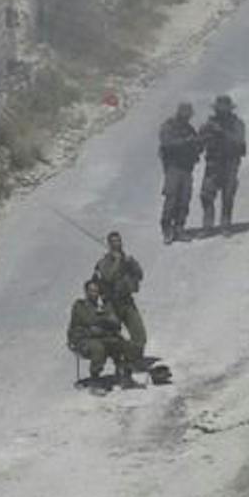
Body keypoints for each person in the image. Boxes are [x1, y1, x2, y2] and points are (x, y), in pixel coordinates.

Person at [67, 279, 137, 386]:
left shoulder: (104, 306)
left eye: (96, 291)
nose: (94, 294)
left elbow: (116, 323)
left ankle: (123, 373)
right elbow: (87, 321)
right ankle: (95, 376)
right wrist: (102, 320)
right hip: (83, 338)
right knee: (98, 348)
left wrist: (108, 319)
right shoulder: (80, 306)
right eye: (91, 291)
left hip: (103, 337)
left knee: (124, 344)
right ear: (86, 292)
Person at [92, 230, 146, 364]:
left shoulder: (126, 259)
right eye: (114, 242)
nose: (117, 244)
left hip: (127, 302)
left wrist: (131, 263)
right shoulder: (103, 262)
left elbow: (140, 275)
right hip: (111, 304)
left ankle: (135, 359)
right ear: (109, 244)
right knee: (114, 337)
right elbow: (108, 277)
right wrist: (116, 261)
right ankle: (120, 363)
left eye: (119, 241)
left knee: (139, 334)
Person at [199, 94, 247, 232]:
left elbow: (239, 140)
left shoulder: (237, 123)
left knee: (228, 194)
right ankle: (208, 225)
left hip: (230, 162)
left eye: (224, 107)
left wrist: (222, 132)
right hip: (213, 162)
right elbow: (201, 142)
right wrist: (205, 132)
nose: (221, 110)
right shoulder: (210, 123)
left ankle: (225, 224)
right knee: (206, 194)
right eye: (219, 107)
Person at [157, 101, 202, 243]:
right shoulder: (168, 127)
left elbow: (197, 147)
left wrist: (197, 144)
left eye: (188, 116)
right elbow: (167, 144)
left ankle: (179, 227)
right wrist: (185, 142)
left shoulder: (189, 129)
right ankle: (167, 228)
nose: (187, 118)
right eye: (185, 115)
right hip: (173, 168)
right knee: (171, 198)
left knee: (184, 199)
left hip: (186, 168)